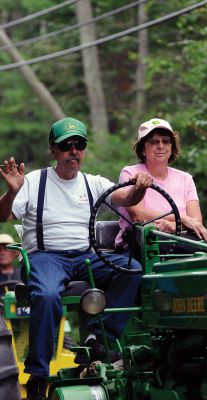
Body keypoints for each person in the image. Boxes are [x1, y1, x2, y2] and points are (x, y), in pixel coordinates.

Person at [0, 117, 153, 400]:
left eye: (79, 144)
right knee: (46, 295)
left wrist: (140, 187)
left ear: (84, 149)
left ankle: (98, 339)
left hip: (86, 256)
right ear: (53, 151)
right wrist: (11, 191)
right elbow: (3, 215)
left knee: (131, 268)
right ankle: (38, 373)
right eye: (66, 145)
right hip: (46, 257)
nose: (73, 151)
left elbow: (126, 197)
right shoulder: (34, 182)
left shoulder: (93, 183)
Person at [115, 118, 207, 253]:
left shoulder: (185, 179)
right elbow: (138, 215)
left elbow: (196, 221)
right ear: (142, 149)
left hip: (180, 242)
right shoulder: (130, 173)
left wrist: (174, 226)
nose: (161, 146)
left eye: (166, 141)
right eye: (154, 142)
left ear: (172, 148)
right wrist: (181, 219)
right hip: (140, 248)